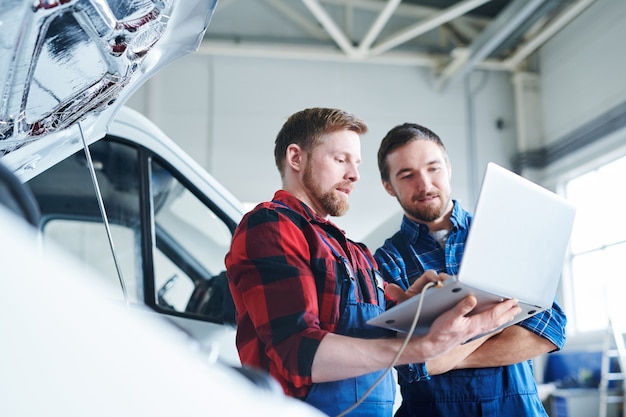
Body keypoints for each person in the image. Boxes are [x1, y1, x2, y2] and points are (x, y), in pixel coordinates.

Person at [225, 108, 521, 417]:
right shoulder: (272, 225)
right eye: (341, 160)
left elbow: (377, 332)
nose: (354, 174)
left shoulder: (356, 252)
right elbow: (297, 352)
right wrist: (421, 349)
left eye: (357, 163)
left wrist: (417, 307)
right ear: (296, 158)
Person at [374, 122, 567, 417]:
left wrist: (449, 353)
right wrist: (495, 324)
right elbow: (407, 365)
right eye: (407, 175)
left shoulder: (502, 235)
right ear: (389, 186)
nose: (424, 184)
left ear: (448, 167)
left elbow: (549, 330)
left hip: (516, 409)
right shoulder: (386, 261)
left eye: (433, 168)